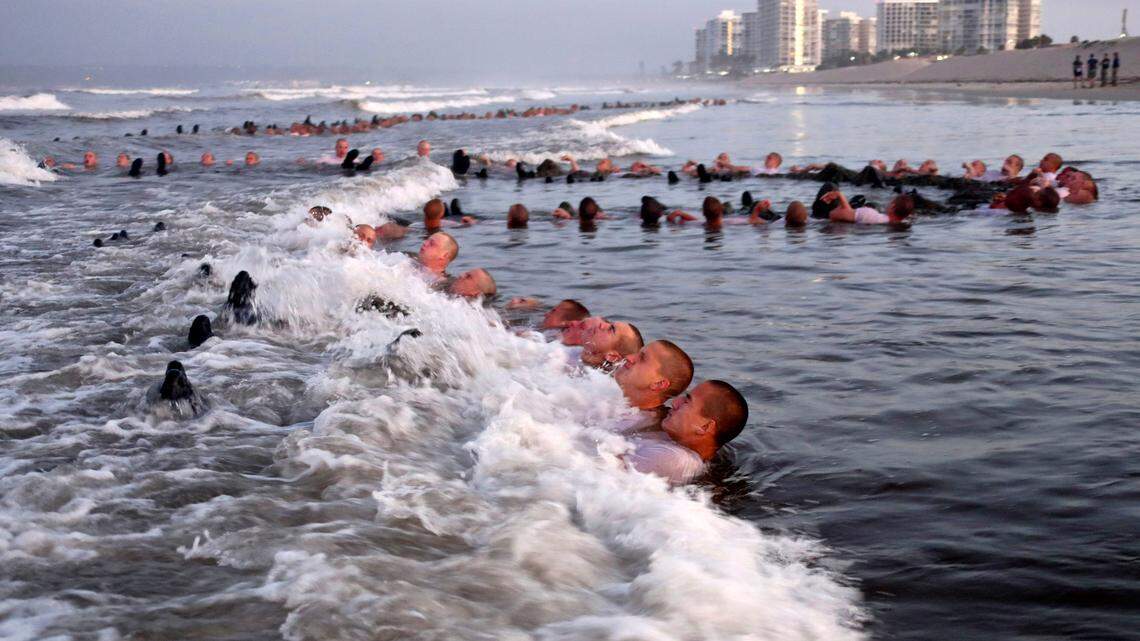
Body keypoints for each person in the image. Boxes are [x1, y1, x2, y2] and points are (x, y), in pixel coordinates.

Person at [625, 380, 749, 484]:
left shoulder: (673, 459)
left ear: (704, 427)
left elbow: (607, 480)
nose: (675, 402)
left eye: (686, 401)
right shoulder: (674, 444)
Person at [614, 340, 694, 411]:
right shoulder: (613, 404)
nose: (628, 357)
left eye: (642, 358)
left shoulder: (643, 424)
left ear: (658, 384)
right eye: (637, 353)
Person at [825, 190, 915, 225]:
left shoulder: (870, 215)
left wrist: (839, 195)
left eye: (891, 202)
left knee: (829, 186)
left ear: (892, 207)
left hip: (826, 215)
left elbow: (834, 215)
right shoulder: (903, 221)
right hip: (852, 217)